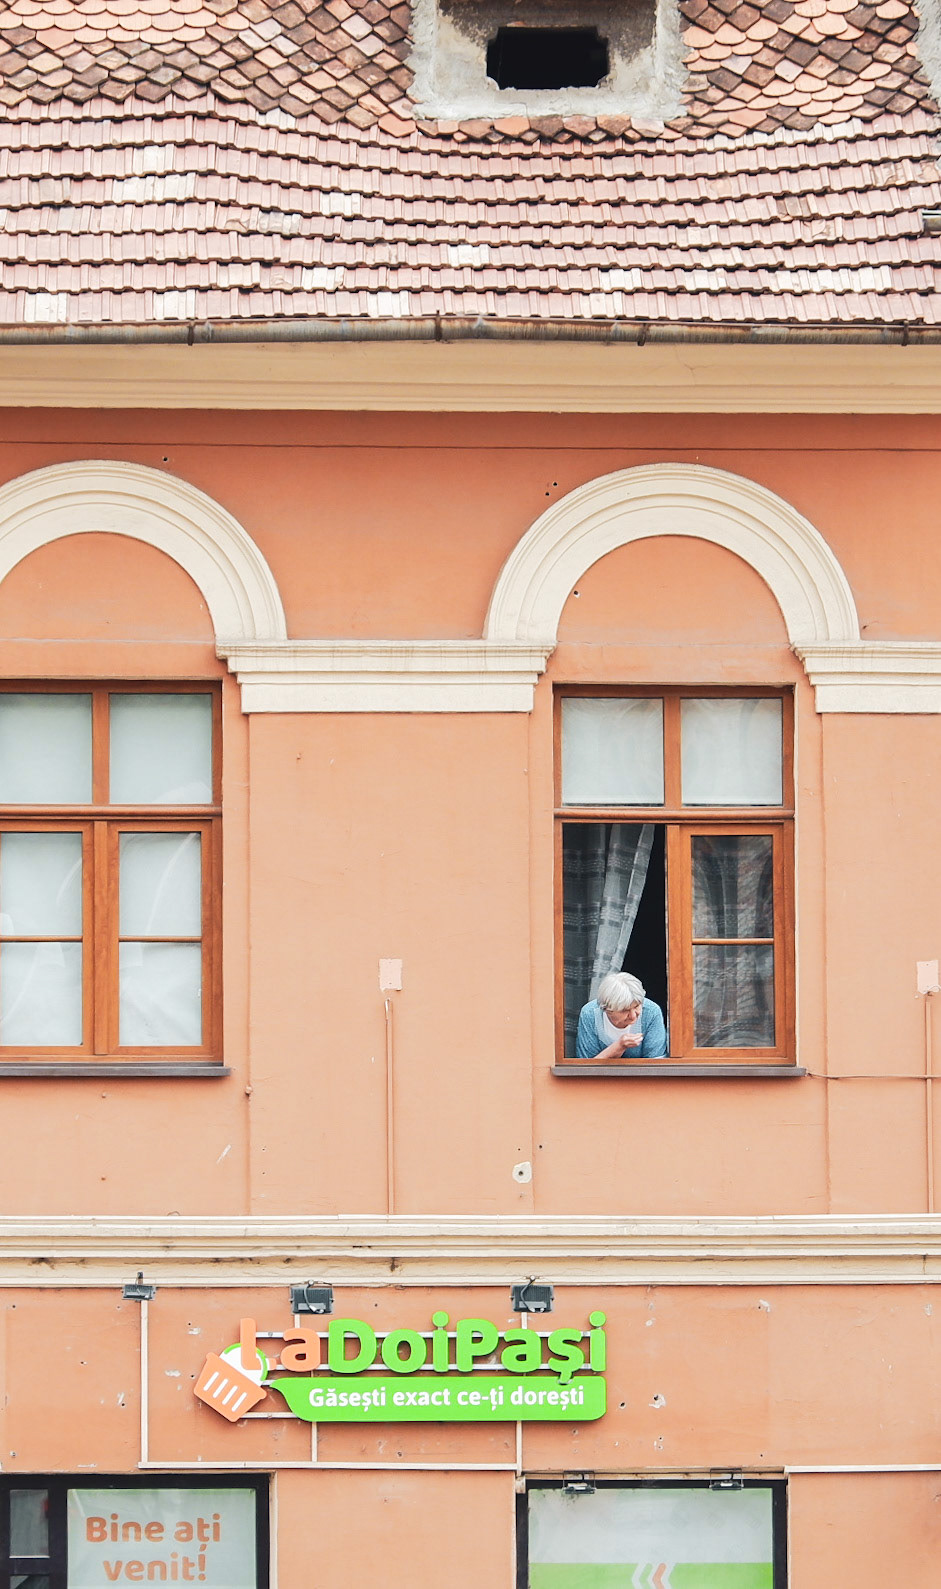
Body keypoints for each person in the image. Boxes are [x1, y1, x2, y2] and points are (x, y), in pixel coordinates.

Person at [575, 971, 667, 1061]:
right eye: (625, 1010)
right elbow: (586, 1068)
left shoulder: (651, 1012)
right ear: (607, 1009)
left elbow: (656, 1065)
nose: (633, 1016)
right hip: (600, 1077)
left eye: (637, 1006)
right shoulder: (590, 1014)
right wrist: (619, 1046)